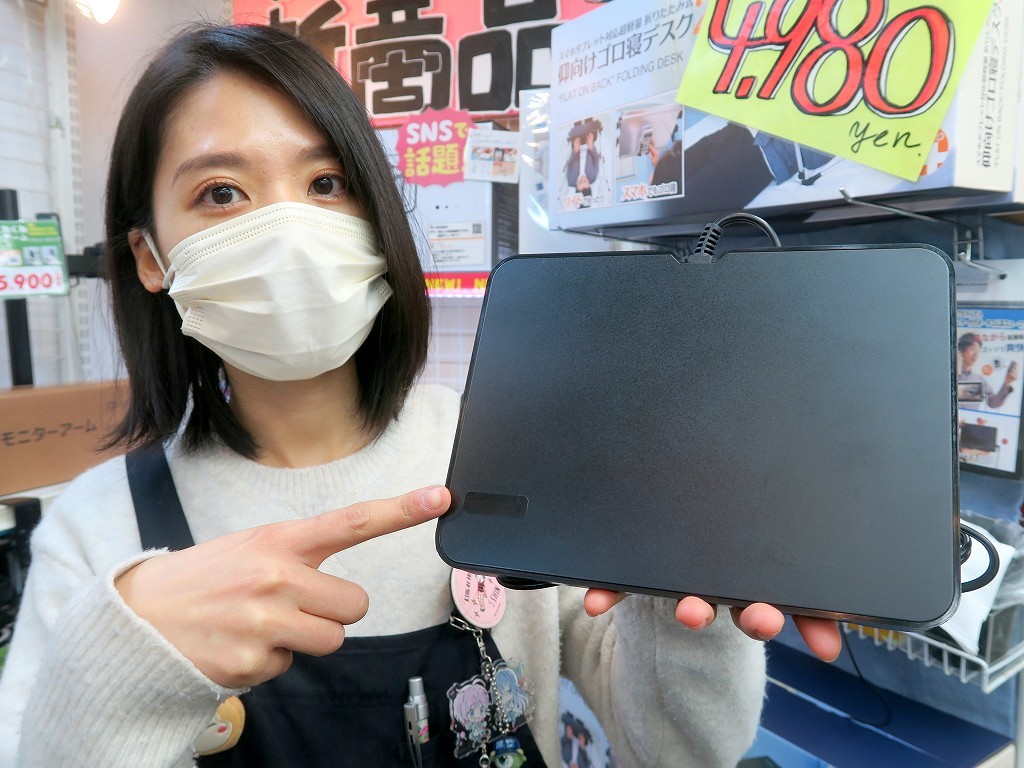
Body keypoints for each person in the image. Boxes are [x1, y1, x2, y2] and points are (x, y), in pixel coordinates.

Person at [0, 23, 840, 768]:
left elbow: (679, 752)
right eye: (221, 192)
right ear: (149, 257)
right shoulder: (94, 532)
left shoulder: (516, 450)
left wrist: (689, 577)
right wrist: (122, 663)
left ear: (377, 216)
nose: (289, 230)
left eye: (327, 183)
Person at [957, 332, 1018, 410]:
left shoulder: (979, 379)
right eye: (973, 349)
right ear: (962, 350)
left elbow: (993, 403)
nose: (976, 354)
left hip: (971, 417)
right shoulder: (947, 375)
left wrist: (1007, 383)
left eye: (978, 351)